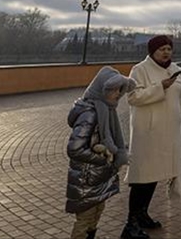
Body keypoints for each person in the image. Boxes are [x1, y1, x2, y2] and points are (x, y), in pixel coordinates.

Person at [124, 35, 181, 237]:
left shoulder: (175, 70)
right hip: (147, 133)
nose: (166, 52)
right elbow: (133, 97)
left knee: (154, 176)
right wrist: (161, 87)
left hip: (168, 133)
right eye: (162, 49)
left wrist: (179, 121)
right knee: (142, 177)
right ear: (152, 51)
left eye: (169, 48)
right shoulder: (139, 70)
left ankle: (142, 215)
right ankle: (130, 224)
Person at [66, 66, 137, 239]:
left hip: (96, 177)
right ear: (101, 89)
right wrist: (103, 159)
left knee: (96, 214)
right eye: (113, 89)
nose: (117, 94)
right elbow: (75, 149)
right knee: (85, 219)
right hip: (86, 178)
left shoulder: (106, 110)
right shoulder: (90, 114)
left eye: (120, 90)